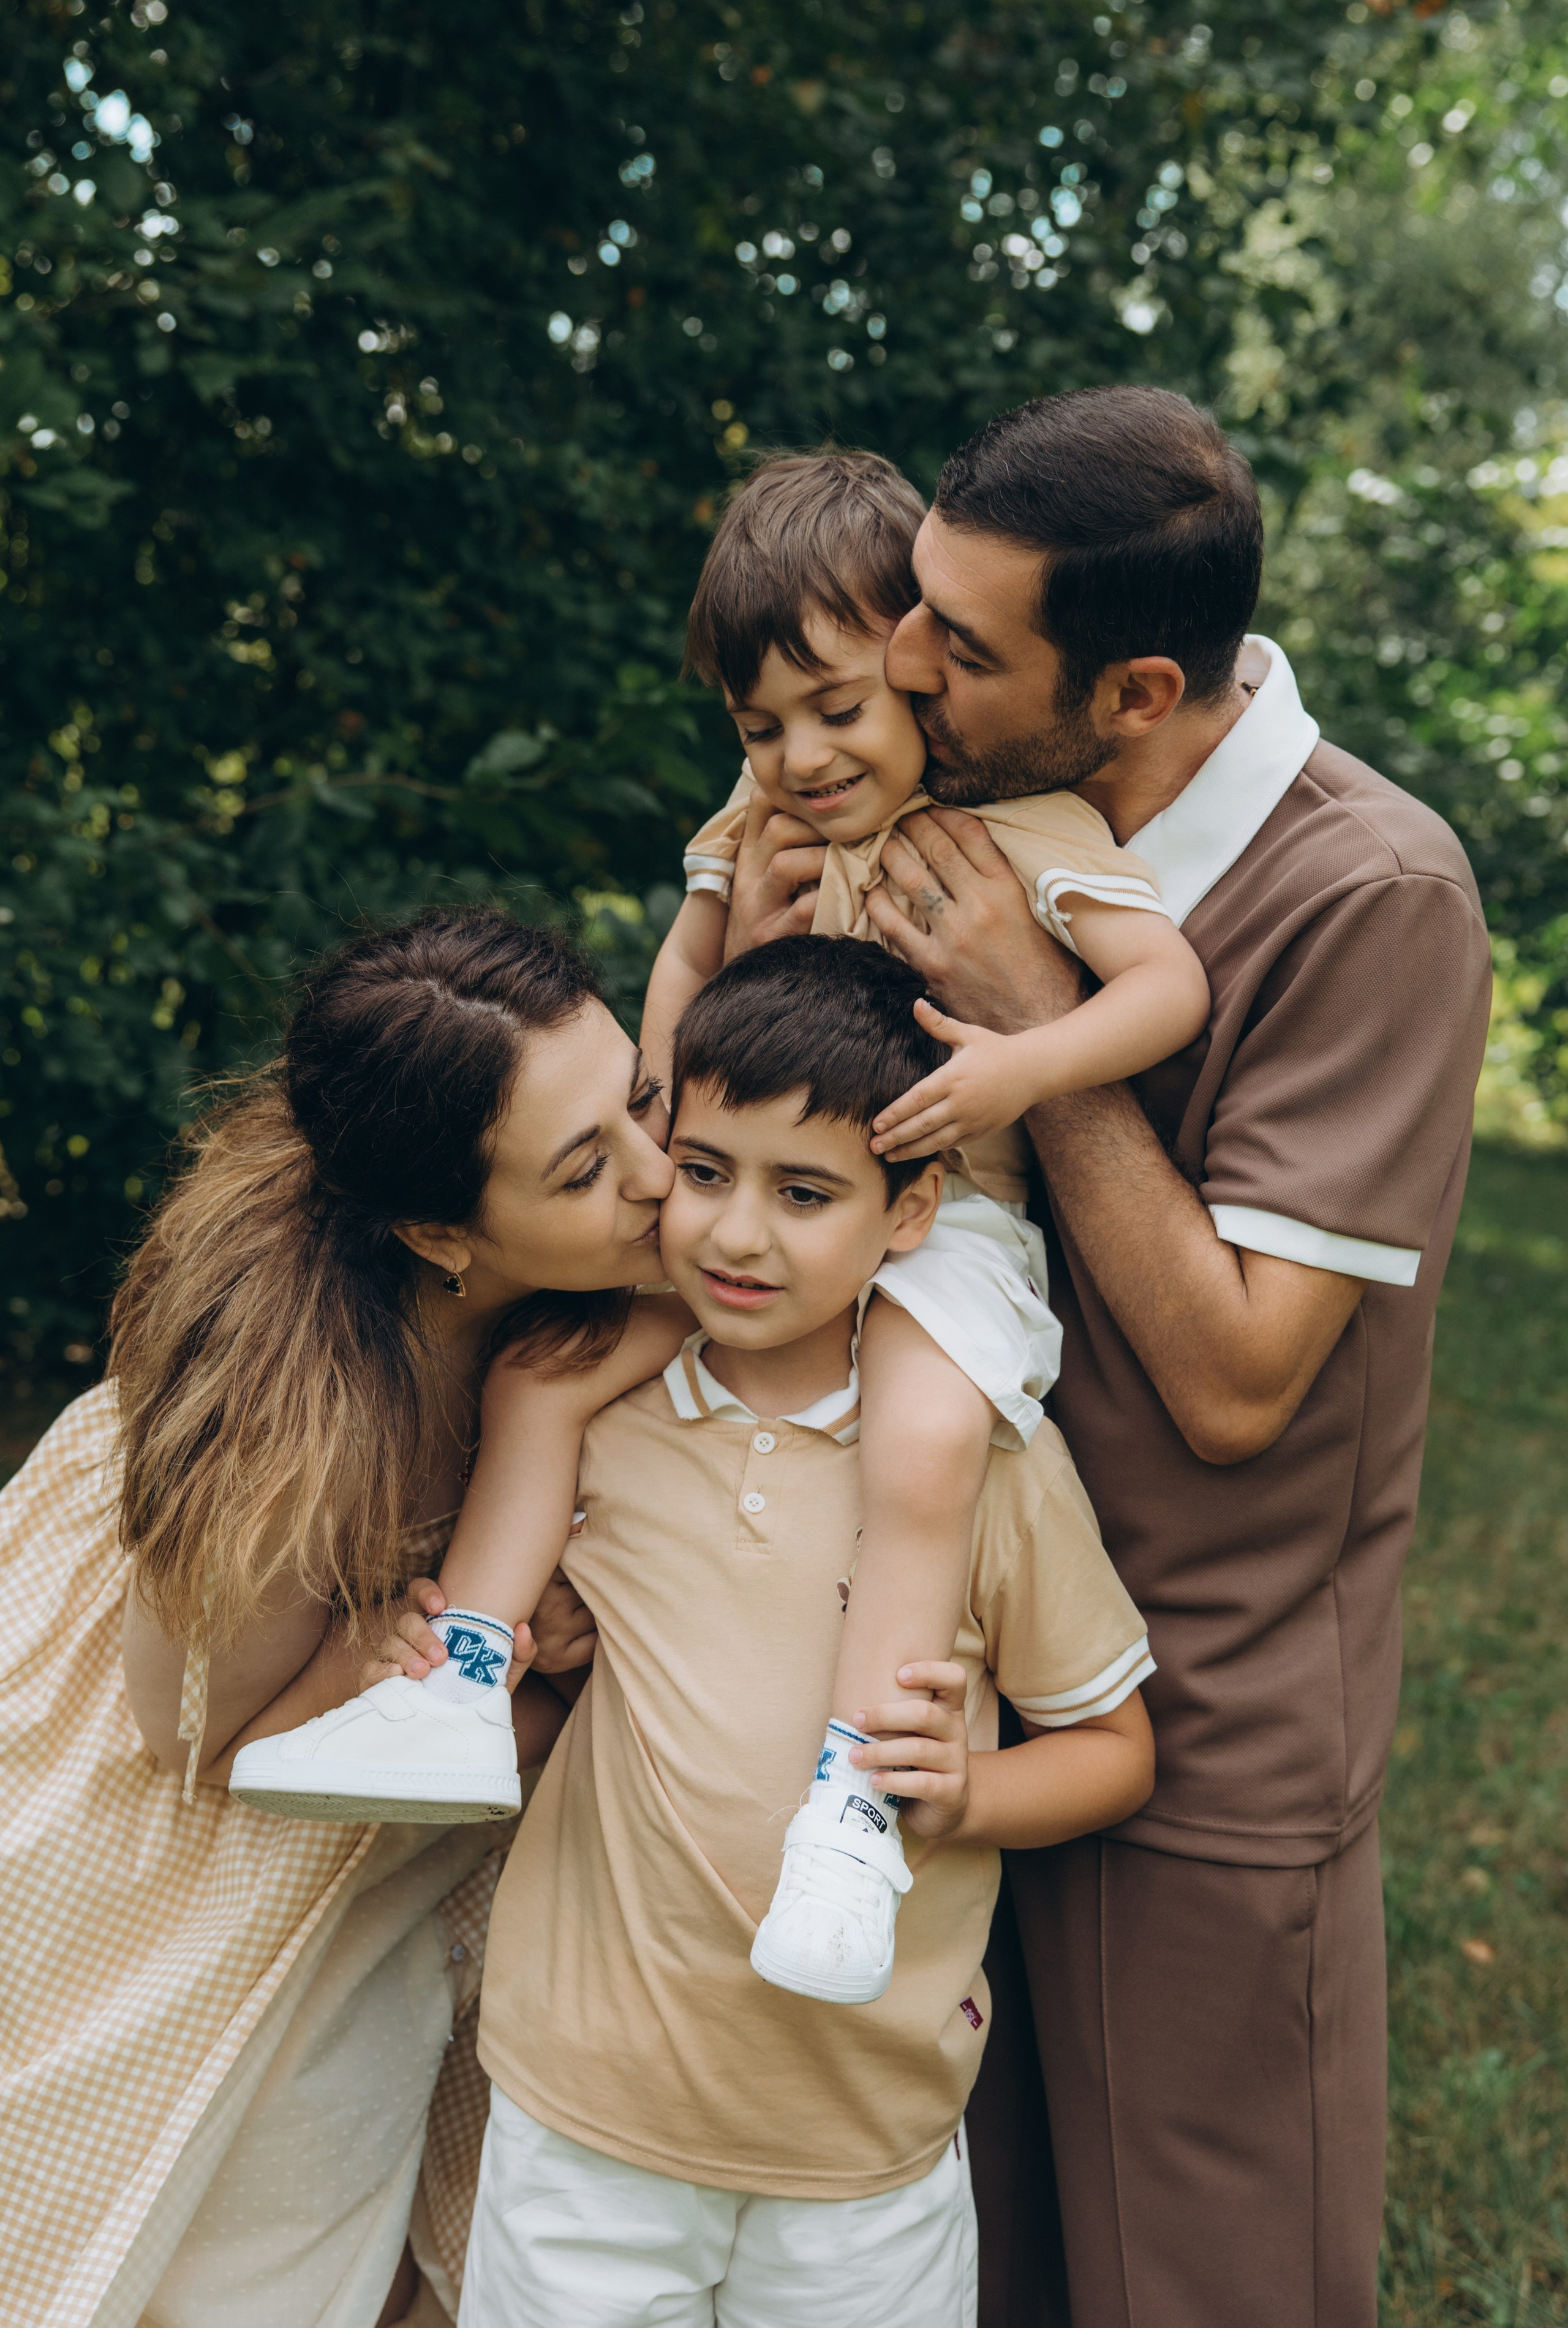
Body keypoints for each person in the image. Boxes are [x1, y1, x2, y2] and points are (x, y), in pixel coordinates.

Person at [712, 388, 1488, 2327]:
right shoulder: (954, 798)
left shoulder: (1372, 896)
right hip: (939, 1674)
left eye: (961, 645)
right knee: (974, 2262)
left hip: (1205, 1726)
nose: (904, 662)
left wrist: (1037, 1028)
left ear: (1135, 692)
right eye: (917, 604)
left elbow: (1239, 1385)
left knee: (1197, 2279)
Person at [238, 454, 1202, 2017]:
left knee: (923, 1442)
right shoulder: (756, 823)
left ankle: (850, 1808)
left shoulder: (1023, 831)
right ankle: (460, 1680)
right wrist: (675, 1134)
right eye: (760, 726)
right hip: (759, 1193)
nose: (801, 757)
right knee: (546, 1375)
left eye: (838, 708)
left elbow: (1168, 988)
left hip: (943, 1218)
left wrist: (1021, 1064)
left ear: (916, 669)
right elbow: (683, 976)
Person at [459, 934, 1156, 2328]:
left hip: (860, 2144)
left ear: (910, 1212)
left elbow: (1115, 1749)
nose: (734, 1235)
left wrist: (970, 1795)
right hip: (586, 2116)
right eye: (704, 1172)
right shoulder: (604, 1419)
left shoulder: (985, 1465)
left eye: (805, 1193)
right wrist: (543, 1650)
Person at [0, 909, 685, 2328]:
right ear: (439, 1233)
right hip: (200, 1793)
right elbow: (200, 1745)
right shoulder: (287, 1425)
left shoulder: (592, 1273)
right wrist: (370, 1666)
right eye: (584, 1168)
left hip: (426, 1816)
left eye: (641, 1100)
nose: (655, 1175)